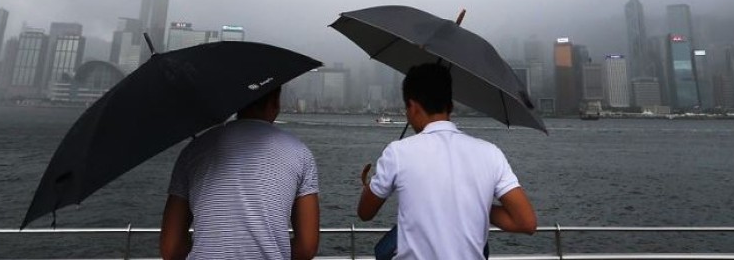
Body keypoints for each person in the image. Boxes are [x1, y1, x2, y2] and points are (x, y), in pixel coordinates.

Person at [357, 63, 537, 259]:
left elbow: (365, 213)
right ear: (450, 105)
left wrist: (369, 186)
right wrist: (472, 203)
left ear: (414, 107)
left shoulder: (398, 152)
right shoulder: (490, 153)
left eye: (406, 109)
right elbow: (525, 222)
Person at [160, 85, 320, 260]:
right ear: (275, 101)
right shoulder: (300, 153)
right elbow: (306, 248)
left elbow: (171, 249)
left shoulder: (194, 151)